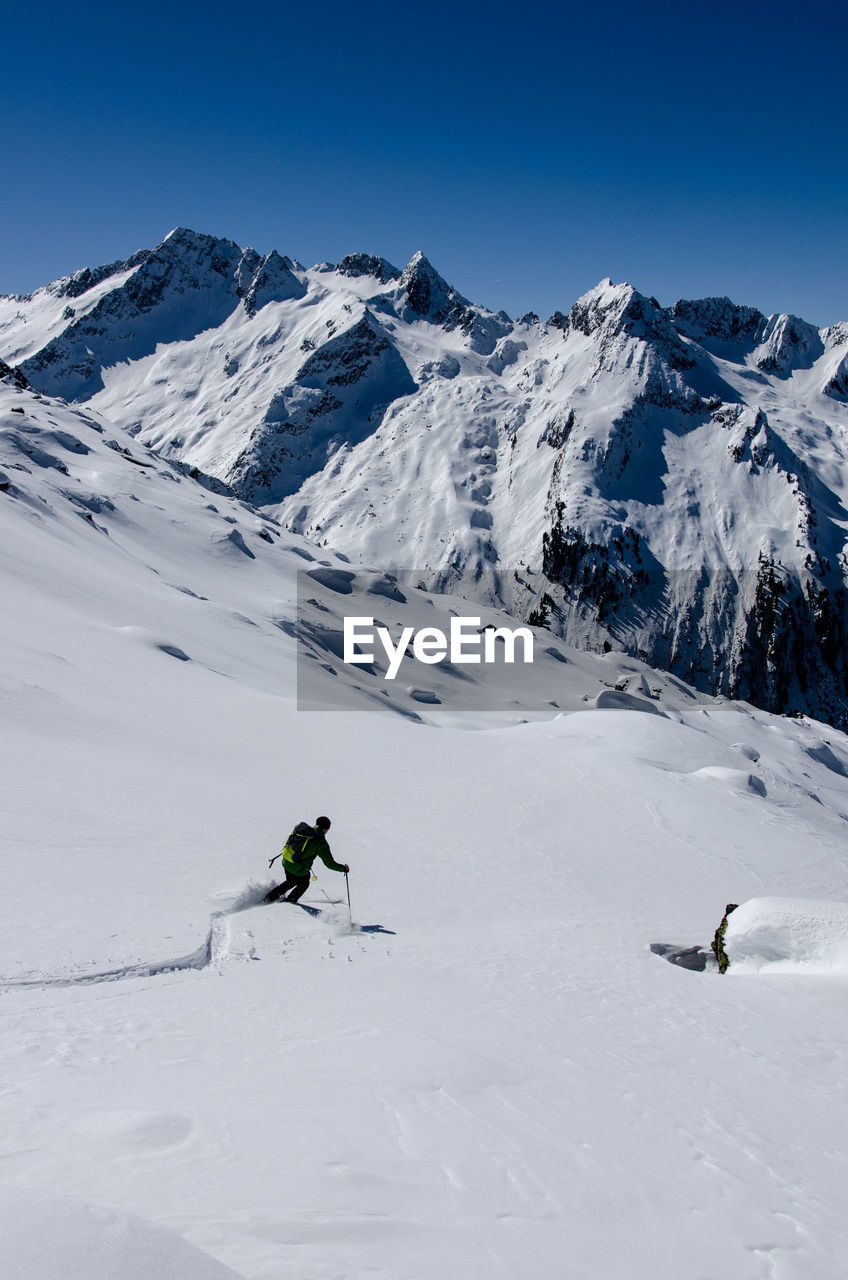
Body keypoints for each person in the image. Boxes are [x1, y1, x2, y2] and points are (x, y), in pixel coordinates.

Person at [264, 816, 349, 904]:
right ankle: (288, 903)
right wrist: (343, 868)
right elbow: (329, 863)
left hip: (287, 861)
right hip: (297, 867)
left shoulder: (304, 832)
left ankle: (269, 898)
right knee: (304, 883)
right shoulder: (320, 842)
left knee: (292, 881)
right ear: (326, 829)